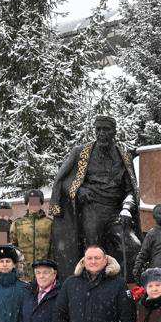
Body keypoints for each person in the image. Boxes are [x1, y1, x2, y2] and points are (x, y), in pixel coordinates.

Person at [49, 115, 142, 281]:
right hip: (91, 209)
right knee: (93, 251)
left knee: (132, 245)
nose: (101, 133)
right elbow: (61, 181)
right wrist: (78, 191)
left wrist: (127, 208)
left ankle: (127, 286)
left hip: (115, 212)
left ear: (114, 132)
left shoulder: (124, 157)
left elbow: (130, 190)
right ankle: (93, 283)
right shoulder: (81, 153)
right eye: (98, 129)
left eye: (105, 130)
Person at [10, 188, 53, 281]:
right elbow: (13, 246)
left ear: (41, 203)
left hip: (44, 270)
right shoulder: (18, 223)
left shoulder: (49, 223)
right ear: (26, 204)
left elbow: (54, 246)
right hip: (24, 272)